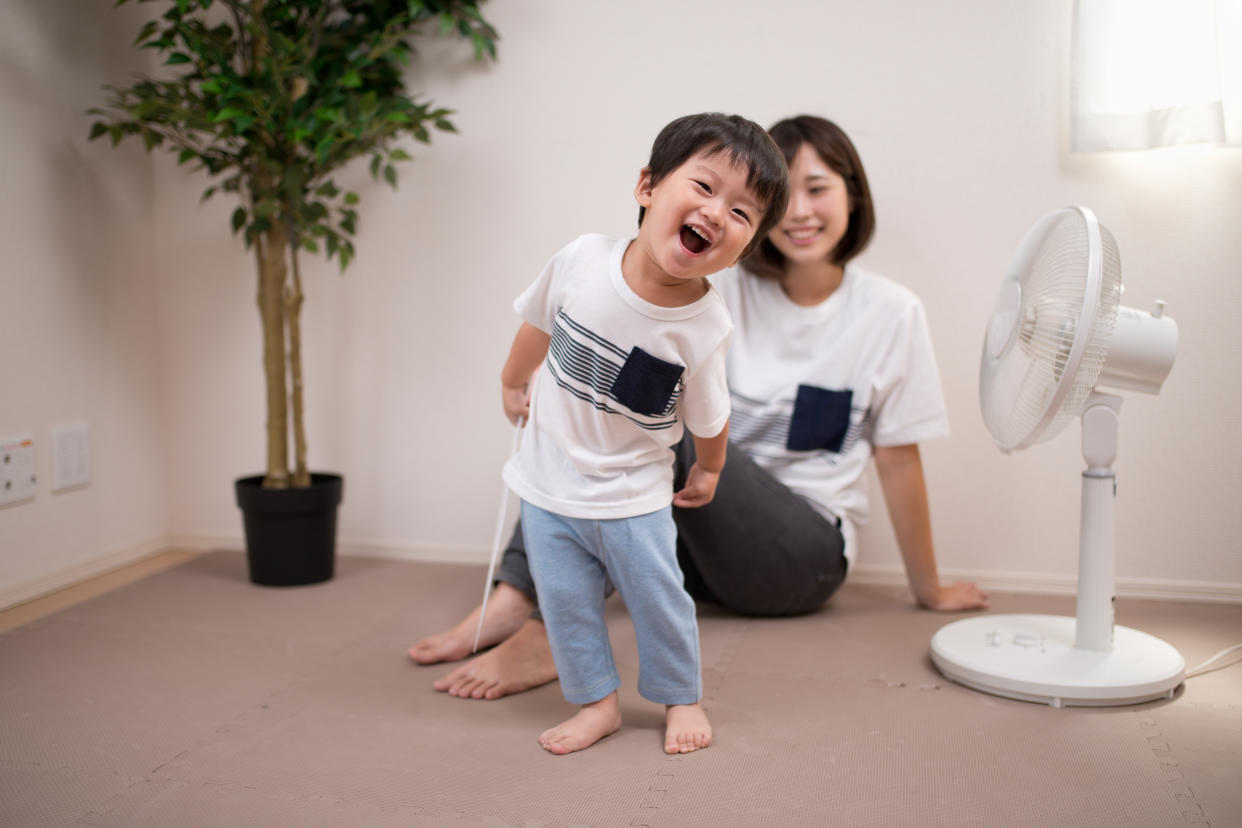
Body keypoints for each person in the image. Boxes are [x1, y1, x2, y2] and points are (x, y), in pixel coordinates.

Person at [410, 114, 988, 704]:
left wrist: (930, 589)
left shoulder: (891, 312)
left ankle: (536, 627)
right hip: (696, 541)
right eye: (785, 197)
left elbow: (897, 458)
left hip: (798, 555)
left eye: (817, 189)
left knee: (660, 420)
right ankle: (519, 595)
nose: (801, 212)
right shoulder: (715, 279)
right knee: (602, 412)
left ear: (851, 197)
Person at [493, 113, 790, 756]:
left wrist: (708, 470)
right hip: (548, 488)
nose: (717, 214)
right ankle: (596, 704)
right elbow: (536, 322)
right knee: (567, 605)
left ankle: (681, 696)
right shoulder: (580, 260)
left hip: (633, 498)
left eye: (742, 213)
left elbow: (712, 420)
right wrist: (513, 380)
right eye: (705, 188)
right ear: (647, 186)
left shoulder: (703, 327)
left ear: (747, 245)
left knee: (660, 601)